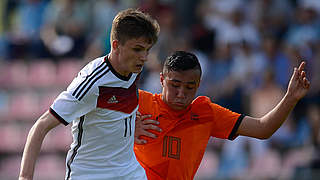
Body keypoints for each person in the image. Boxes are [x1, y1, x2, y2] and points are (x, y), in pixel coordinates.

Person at [19, 8, 160, 180]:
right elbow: (40, 127)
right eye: (138, 49)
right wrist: (25, 177)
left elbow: (113, 110)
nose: (144, 57)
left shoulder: (133, 68)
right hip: (90, 174)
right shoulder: (91, 83)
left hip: (129, 171)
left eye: (147, 50)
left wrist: (128, 130)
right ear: (116, 46)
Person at [134, 51, 310, 179]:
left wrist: (290, 98)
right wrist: (125, 129)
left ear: (198, 85)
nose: (181, 93)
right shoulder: (139, 102)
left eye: (189, 87)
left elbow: (263, 129)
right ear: (162, 80)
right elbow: (105, 116)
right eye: (175, 85)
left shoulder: (206, 112)